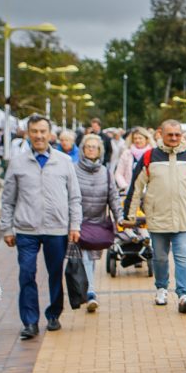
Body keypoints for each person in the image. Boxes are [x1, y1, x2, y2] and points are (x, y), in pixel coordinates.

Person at [1, 115, 82, 339]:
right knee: (27, 274)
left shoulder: (64, 161)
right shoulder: (17, 163)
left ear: (50, 134)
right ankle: (29, 321)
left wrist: (75, 224)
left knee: (55, 273)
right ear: (28, 133)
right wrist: (7, 228)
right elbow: (8, 199)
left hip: (57, 229)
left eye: (42, 131)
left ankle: (53, 314)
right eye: (34, 131)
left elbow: (74, 197)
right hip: (26, 230)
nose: (38, 135)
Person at [127, 119, 186, 312]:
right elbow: (136, 187)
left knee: (182, 256)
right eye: (169, 134)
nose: (173, 138)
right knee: (160, 257)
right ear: (160, 134)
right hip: (158, 216)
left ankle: (184, 294)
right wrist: (130, 215)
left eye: (177, 135)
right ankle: (161, 288)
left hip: (184, 216)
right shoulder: (149, 157)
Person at [74, 134, 120, 312]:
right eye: (88, 146)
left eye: (95, 147)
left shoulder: (106, 173)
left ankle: (88, 288)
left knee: (91, 258)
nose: (91, 149)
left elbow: (113, 197)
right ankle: (91, 292)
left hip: (98, 222)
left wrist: (119, 217)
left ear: (100, 150)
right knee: (85, 255)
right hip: (78, 221)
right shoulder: (73, 170)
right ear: (83, 150)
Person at [114, 128, 151, 192]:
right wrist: (125, 186)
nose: (137, 140)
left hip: (148, 192)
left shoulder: (152, 153)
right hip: (129, 191)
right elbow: (118, 173)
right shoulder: (126, 153)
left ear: (146, 139)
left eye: (140, 138)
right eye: (135, 138)